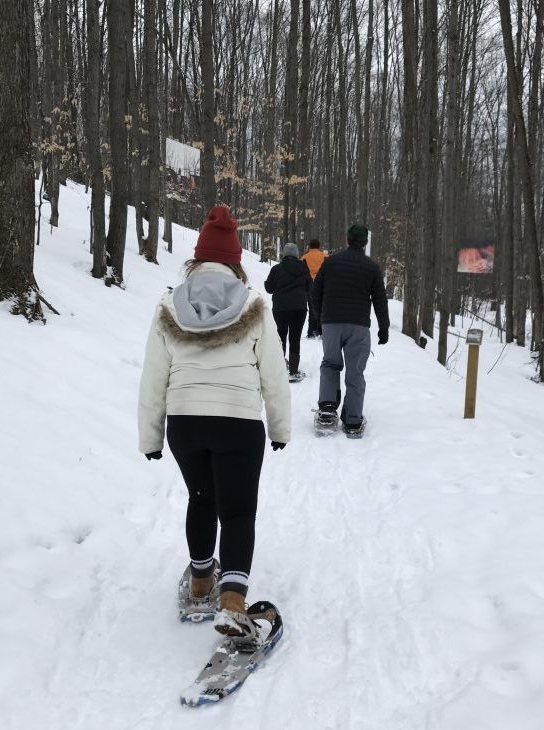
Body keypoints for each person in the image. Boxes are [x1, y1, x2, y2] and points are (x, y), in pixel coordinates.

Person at [138, 205, 291, 639]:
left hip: (186, 424)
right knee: (238, 511)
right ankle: (232, 602)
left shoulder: (168, 305)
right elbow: (274, 376)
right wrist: (280, 428)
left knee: (201, 498)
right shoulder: (255, 306)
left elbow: (154, 376)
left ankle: (202, 580)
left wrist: (150, 437)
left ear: (196, 259)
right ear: (235, 261)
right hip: (239, 425)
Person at [312, 223, 389, 436]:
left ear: (347, 240)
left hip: (332, 323)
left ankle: (327, 412)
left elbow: (315, 292)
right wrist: (384, 328)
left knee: (330, 364)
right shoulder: (371, 267)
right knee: (355, 372)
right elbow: (380, 301)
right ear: (365, 243)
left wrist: (321, 319)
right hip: (358, 326)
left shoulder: (330, 263)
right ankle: (353, 421)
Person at [264, 242, 310, 378]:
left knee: (281, 336)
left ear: (284, 254)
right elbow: (310, 288)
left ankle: (280, 369)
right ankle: (294, 371)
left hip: (280, 308)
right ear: (297, 254)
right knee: (295, 338)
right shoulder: (304, 268)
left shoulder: (276, 269)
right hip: (299, 308)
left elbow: (269, 288)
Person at [302, 239, 327, 337]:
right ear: (319, 246)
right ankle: (321, 330)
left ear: (309, 246)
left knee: (312, 307)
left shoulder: (304, 257)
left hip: (310, 284)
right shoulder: (324, 257)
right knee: (322, 307)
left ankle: (311, 331)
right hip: (322, 284)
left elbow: (301, 271)